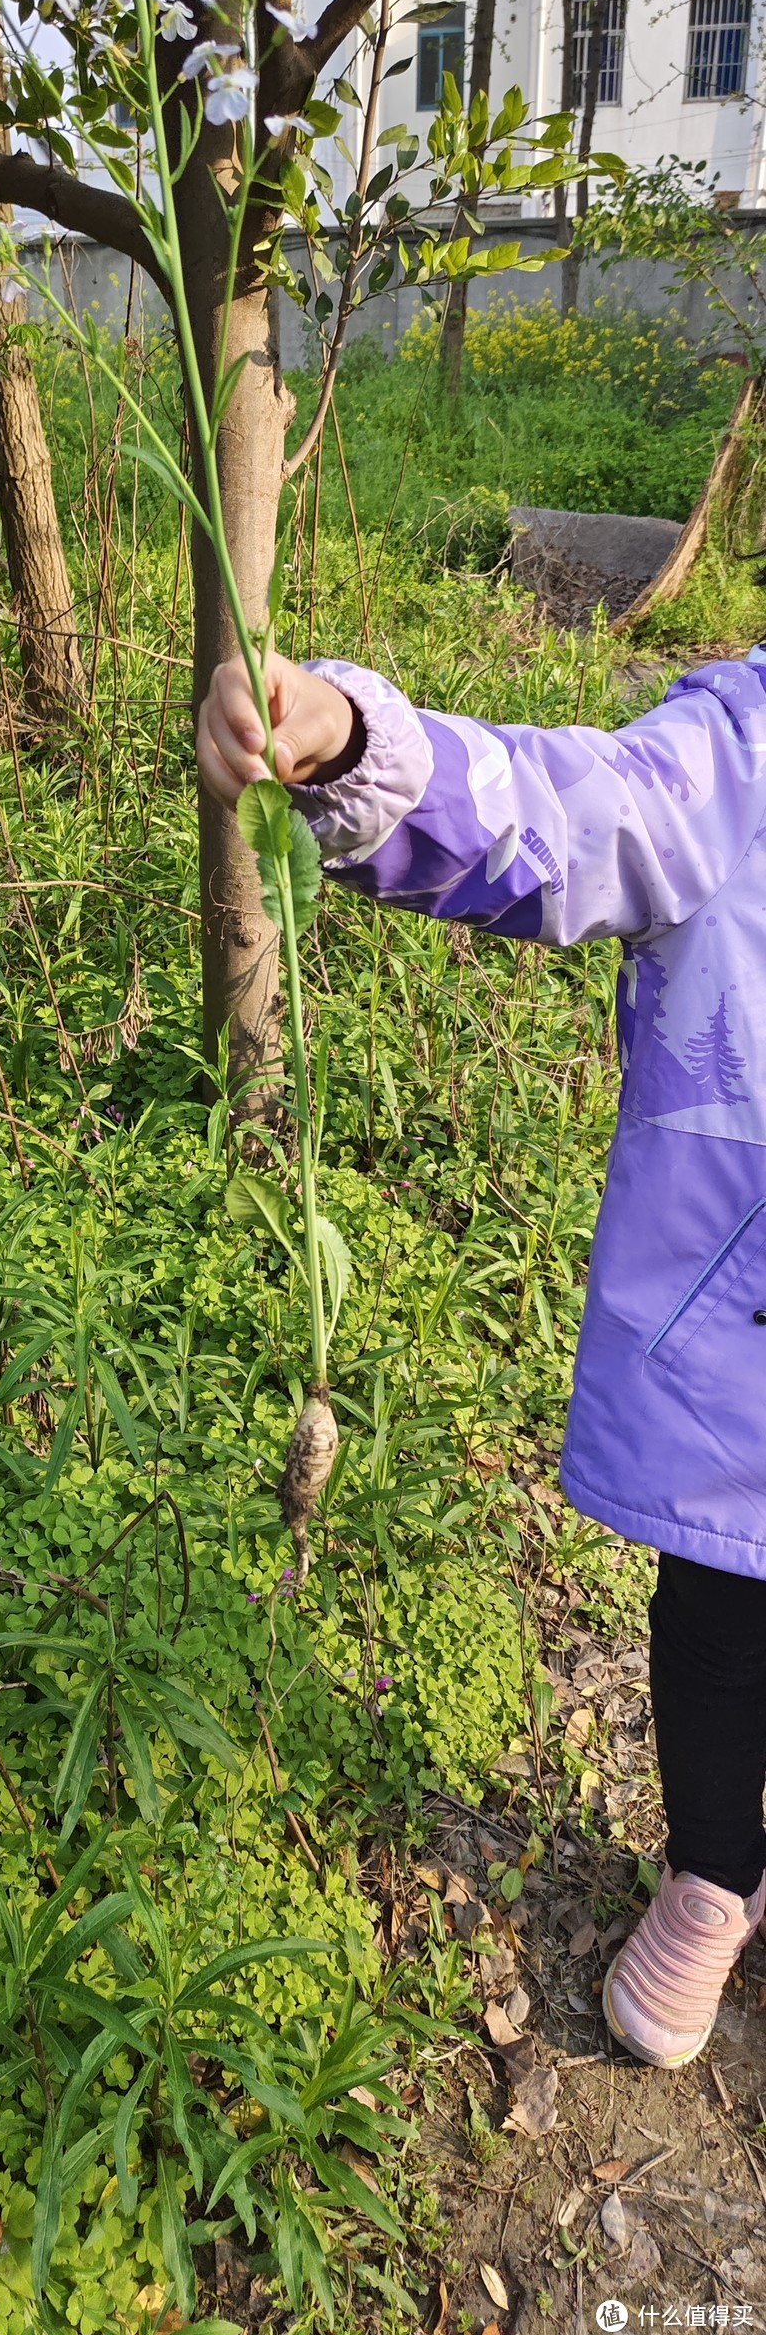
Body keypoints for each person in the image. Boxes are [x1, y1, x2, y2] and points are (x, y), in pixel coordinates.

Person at [197, 640, 766, 2071]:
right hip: (745, 1357)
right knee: (720, 1621)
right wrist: (346, 741)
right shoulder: (737, 758)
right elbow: (573, 810)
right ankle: (715, 1874)